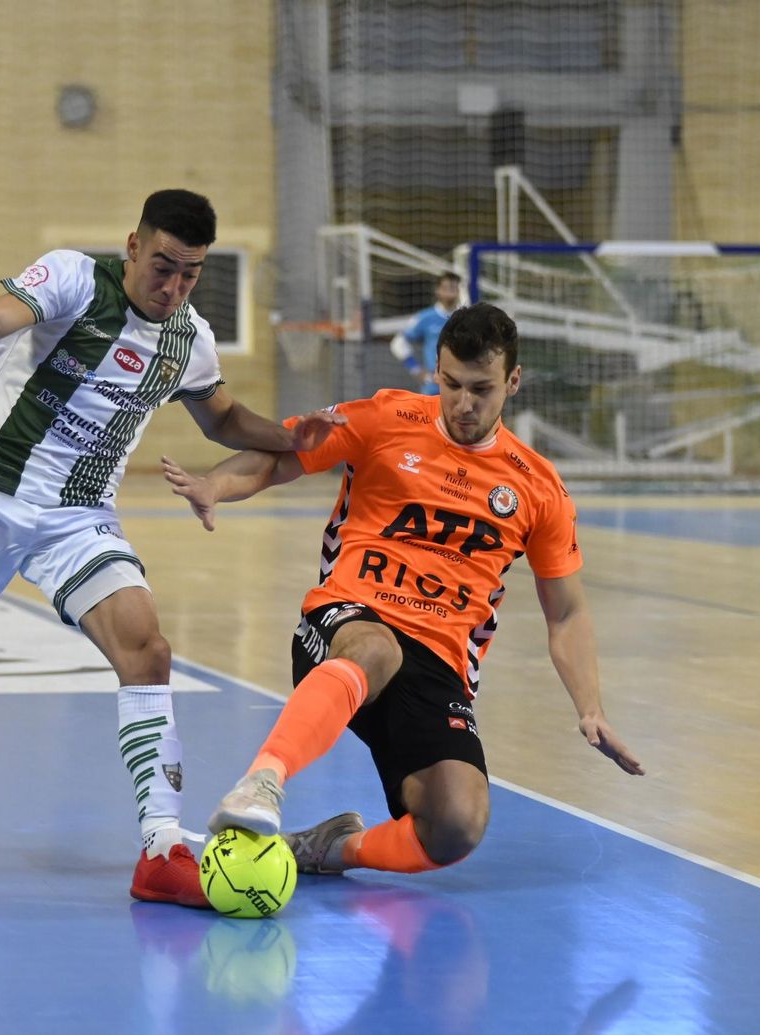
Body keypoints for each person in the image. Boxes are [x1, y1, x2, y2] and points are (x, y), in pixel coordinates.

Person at [0, 188, 343, 908]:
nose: (174, 286)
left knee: (147, 648)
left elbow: (221, 418)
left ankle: (160, 845)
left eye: (191, 273)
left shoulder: (189, 337)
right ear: (132, 245)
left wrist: (293, 437)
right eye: (163, 266)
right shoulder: (73, 277)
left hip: (77, 516)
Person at [163, 301, 644, 880]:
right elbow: (279, 457)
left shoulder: (538, 486)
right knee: (376, 647)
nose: (464, 404)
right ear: (436, 372)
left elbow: (565, 613)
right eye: (451, 384)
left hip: (438, 662)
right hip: (347, 623)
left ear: (513, 382)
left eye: (482, 389)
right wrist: (216, 484)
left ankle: (329, 848)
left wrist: (590, 707)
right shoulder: (386, 418)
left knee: (456, 825)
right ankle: (262, 781)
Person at [388, 270, 463, 395]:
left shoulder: (466, 318)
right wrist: (416, 369)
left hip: (462, 386)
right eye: (446, 287)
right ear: (437, 290)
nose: (450, 291)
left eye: (454, 287)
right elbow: (398, 343)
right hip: (434, 387)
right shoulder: (425, 317)